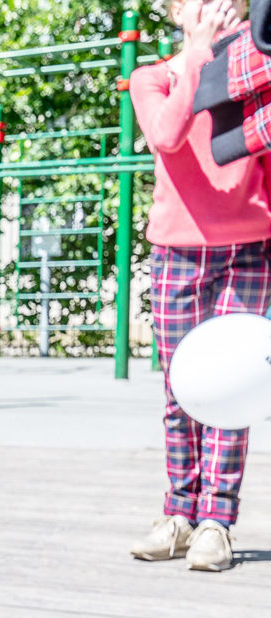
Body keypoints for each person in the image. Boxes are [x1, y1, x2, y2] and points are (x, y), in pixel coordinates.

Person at [129, 0, 269, 572]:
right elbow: (166, 135)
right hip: (177, 250)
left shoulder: (257, 70)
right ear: (173, 11)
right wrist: (195, 57)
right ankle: (178, 515)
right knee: (179, 391)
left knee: (232, 392)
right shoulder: (152, 76)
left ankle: (216, 522)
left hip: (250, 248)